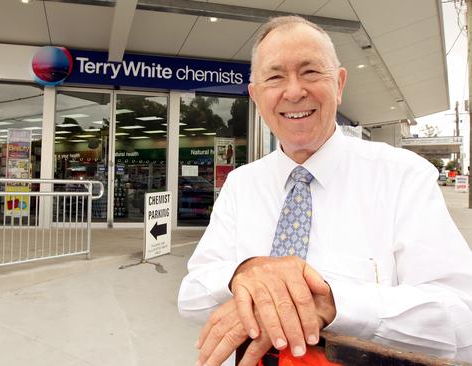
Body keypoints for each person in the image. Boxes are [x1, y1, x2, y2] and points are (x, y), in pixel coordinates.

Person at [178, 15, 472, 366]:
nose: (293, 91)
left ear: (340, 84)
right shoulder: (241, 185)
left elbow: (461, 320)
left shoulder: (403, 178)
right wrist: (247, 276)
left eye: (311, 72)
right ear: (255, 96)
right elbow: (192, 296)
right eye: (275, 77)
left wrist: (332, 302)